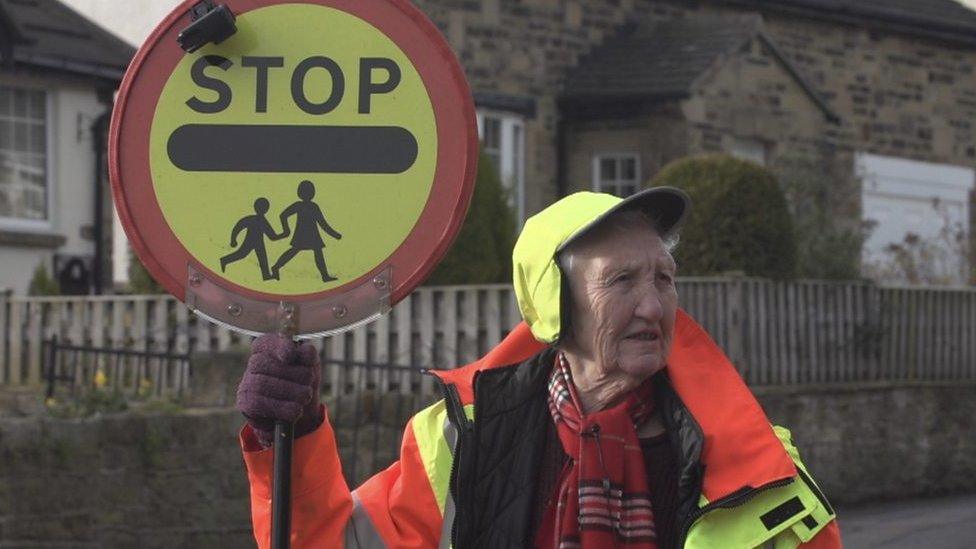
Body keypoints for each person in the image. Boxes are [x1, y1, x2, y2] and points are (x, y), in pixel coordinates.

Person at [236, 188, 842, 548]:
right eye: (622, 281)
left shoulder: (760, 466)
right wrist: (288, 436)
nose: (654, 306)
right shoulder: (454, 439)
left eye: (664, 278)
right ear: (555, 303)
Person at [270, 179, 343, 282]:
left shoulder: (313, 206)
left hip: (312, 234)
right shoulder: (300, 205)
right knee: (295, 251)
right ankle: (276, 267)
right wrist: (286, 230)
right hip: (302, 234)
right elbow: (283, 215)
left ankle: (324, 276)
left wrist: (335, 234)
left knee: (316, 252)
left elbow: (322, 223)